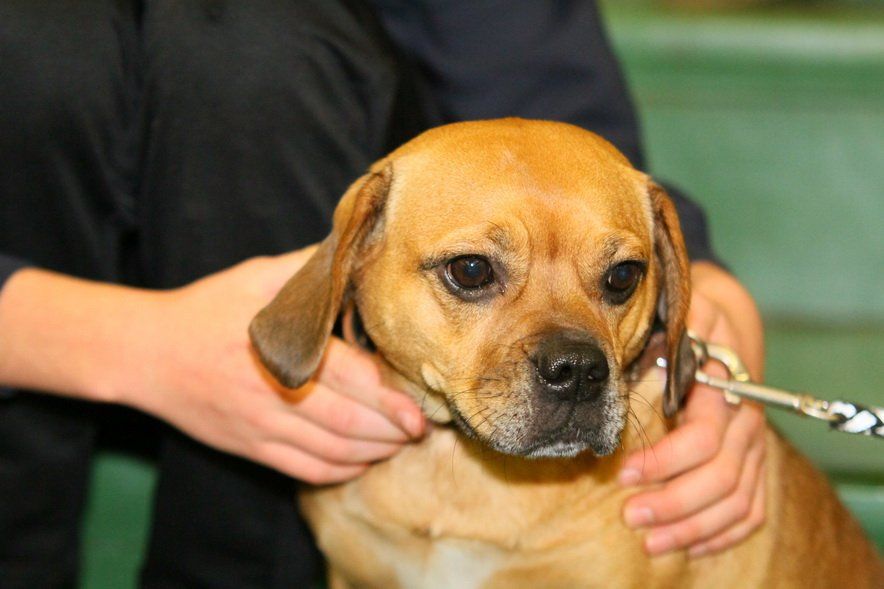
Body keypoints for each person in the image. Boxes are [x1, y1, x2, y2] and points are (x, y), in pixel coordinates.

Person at [0, 1, 765, 587]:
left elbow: (553, 107)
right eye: (474, 273)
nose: (573, 357)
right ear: (352, 261)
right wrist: (125, 343)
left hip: (294, 112)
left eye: (618, 281)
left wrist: (717, 304)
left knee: (258, 41)